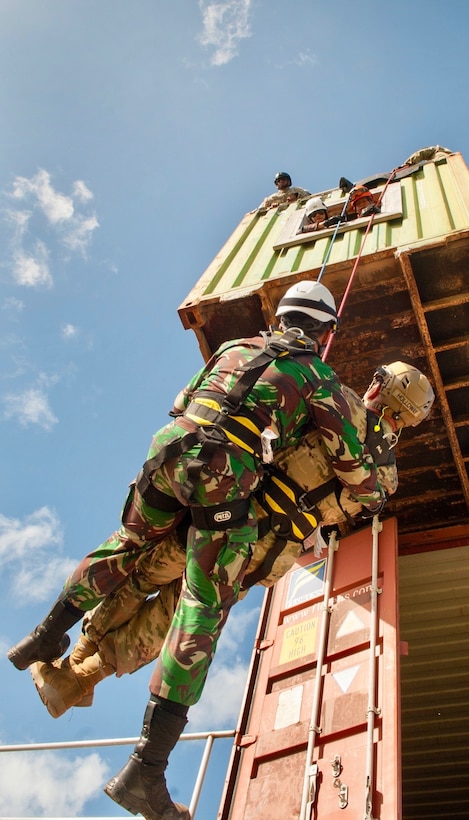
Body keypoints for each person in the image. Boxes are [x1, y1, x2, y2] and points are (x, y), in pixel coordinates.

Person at [7, 280, 387, 820]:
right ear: (324, 333)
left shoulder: (237, 347)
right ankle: (147, 769)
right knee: (201, 608)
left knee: (125, 546)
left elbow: (184, 402)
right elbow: (355, 470)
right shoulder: (319, 377)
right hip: (222, 473)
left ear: (282, 318)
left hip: (169, 449)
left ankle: (42, 638)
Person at [29, 363, 434, 719]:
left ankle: (74, 661)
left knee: (146, 576)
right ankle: (81, 680)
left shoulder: (337, 400)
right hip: (267, 553)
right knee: (175, 613)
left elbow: (272, 434)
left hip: (228, 518)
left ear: (382, 388)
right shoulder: (387, 479)